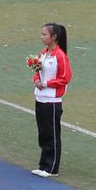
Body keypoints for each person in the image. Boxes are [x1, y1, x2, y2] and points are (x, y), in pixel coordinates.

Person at [31, 23, 72, 178]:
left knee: (52, 134)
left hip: (52, 100)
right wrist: (36, 80)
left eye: (44, 35)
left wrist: (47, 84)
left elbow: (65, 78)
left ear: (54, 37)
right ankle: (43, 165)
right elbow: (37, 71)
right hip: (40, 97)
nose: (42, 37)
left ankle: (52, 167)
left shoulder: (60, 55)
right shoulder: (43, 53)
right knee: (43, 133)